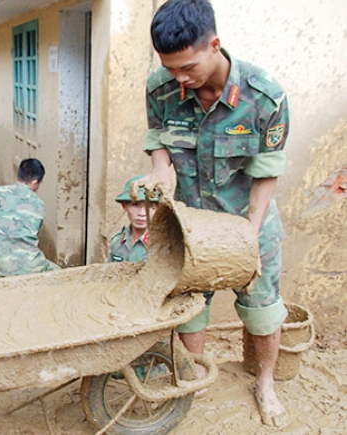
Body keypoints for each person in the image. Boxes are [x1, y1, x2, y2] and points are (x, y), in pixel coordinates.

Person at [144, 0, 290, 428]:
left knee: (262, 313)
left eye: (188, 67)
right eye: (171, 69)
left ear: (215, 45)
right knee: (188, 310)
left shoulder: (265, 97)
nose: (180, 78)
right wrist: (159, 167)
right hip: (191, 229)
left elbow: (266, 174)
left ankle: (265, 383)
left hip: (249, 224)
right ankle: (188, 383)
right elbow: (157, 139)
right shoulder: (161, 88)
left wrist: (249, 237)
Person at [0, 158, 60, 276]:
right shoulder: (39, 205)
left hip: (1, 266)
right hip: (30, 266)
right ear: (35, 182)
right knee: (59, 272)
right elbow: (31, 233)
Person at [108, 175, 159, 263]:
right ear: (124, 205)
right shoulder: (117, 242)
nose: (142, 213)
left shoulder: (162, 245)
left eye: (150, 206)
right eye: (135, 205)